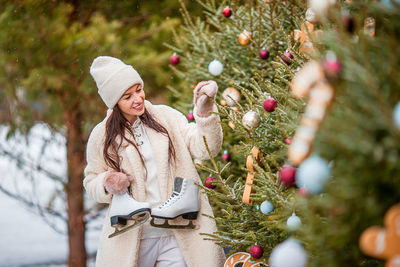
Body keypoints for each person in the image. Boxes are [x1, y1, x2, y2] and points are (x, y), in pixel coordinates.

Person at [83, 56, 225, 267]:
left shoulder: (165, 117)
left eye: (139, 90)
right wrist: (107, 180)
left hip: (177, 232)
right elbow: (91, 182)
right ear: (114, 102)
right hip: (133, 238)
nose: (137, 99)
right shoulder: (102, 136)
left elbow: (206, 149)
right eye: (127, 96)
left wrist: (204, 113)